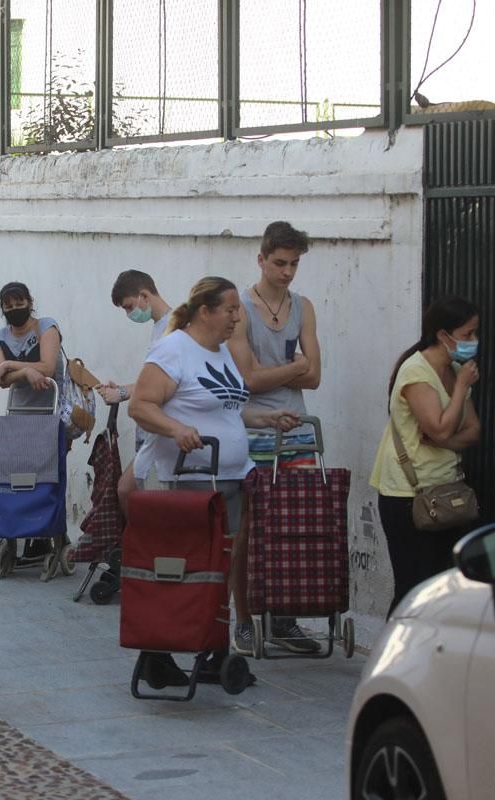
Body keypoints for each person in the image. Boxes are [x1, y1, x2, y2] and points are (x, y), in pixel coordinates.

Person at [129, 276, 302, 676]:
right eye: (230, 310)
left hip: (229, 479)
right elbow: (141, 406)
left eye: (237, 310)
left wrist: (267, 418)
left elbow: (226, 410)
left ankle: (211, 647)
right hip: (185, 481)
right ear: (204, 311)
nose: (237, 317)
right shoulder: (173, 350)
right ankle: (158, 653)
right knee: (182, 568)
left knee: (219, 569)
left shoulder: (221, 352)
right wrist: (176, 430)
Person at [227, 220, 323, 652]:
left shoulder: (304, 307)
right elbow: (246, 380)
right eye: (280, 263)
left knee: (297, 524)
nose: (286, 272)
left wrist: (289, 373)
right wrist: (295, 368)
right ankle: (244, 617)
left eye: (294, 264)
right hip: (252, 432)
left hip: (297, 432)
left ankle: (285, 617)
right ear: (261, 259)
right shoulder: (240, 310)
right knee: (247, 529)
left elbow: (316, 376)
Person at [369, 295, 482, 613]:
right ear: (443, 335)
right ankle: (393, 658)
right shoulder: (417, 373)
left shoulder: (455, 369)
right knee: (412, 588)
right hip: (409, 495)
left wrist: (442, 441)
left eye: (475, 333)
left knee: (440, 588)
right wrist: (460, 390)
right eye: (467, 334)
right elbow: (442, 427)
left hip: (445, 490)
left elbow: (472, 431)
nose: (473, 341)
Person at [97, 269, 172, 515]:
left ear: (144, 295)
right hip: (156, 432)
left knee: (127, 491)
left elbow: (164, 384)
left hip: (164, 432)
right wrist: (123, 390)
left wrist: (122, 394)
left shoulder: (171, 330)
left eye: (129, 307)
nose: (130, 314)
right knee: (128, 490)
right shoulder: (162, 327)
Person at [0, 282, 62, 407]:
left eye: (19, 304)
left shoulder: (46, 327)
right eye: (9, 306)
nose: (15, 309)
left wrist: (8, 364)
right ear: (2, 309)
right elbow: (0, 378)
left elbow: (48, 369)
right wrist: (25, 372)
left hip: (54, 409)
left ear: (30, 303)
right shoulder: (0, 337)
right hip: (18, 412)